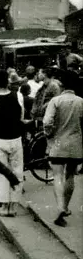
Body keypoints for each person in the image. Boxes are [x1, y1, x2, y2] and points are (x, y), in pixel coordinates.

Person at [43, 70, 83, 227]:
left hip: (58, 143)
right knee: (70, 176)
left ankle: (59, 206)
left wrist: (49, 134)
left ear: (62, 84)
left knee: (57, 175)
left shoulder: (56, 101)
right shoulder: (81, 101)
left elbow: (47, 122)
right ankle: (66, 207)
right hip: (76, 145)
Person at [0, 69, 25, 216]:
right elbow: (21, 115)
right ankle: (14, 206)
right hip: (16, 137)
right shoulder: (19, 96)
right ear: (8, 81)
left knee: (2, 173)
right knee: (17, 170)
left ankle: (4, 206)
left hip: (0, 138)